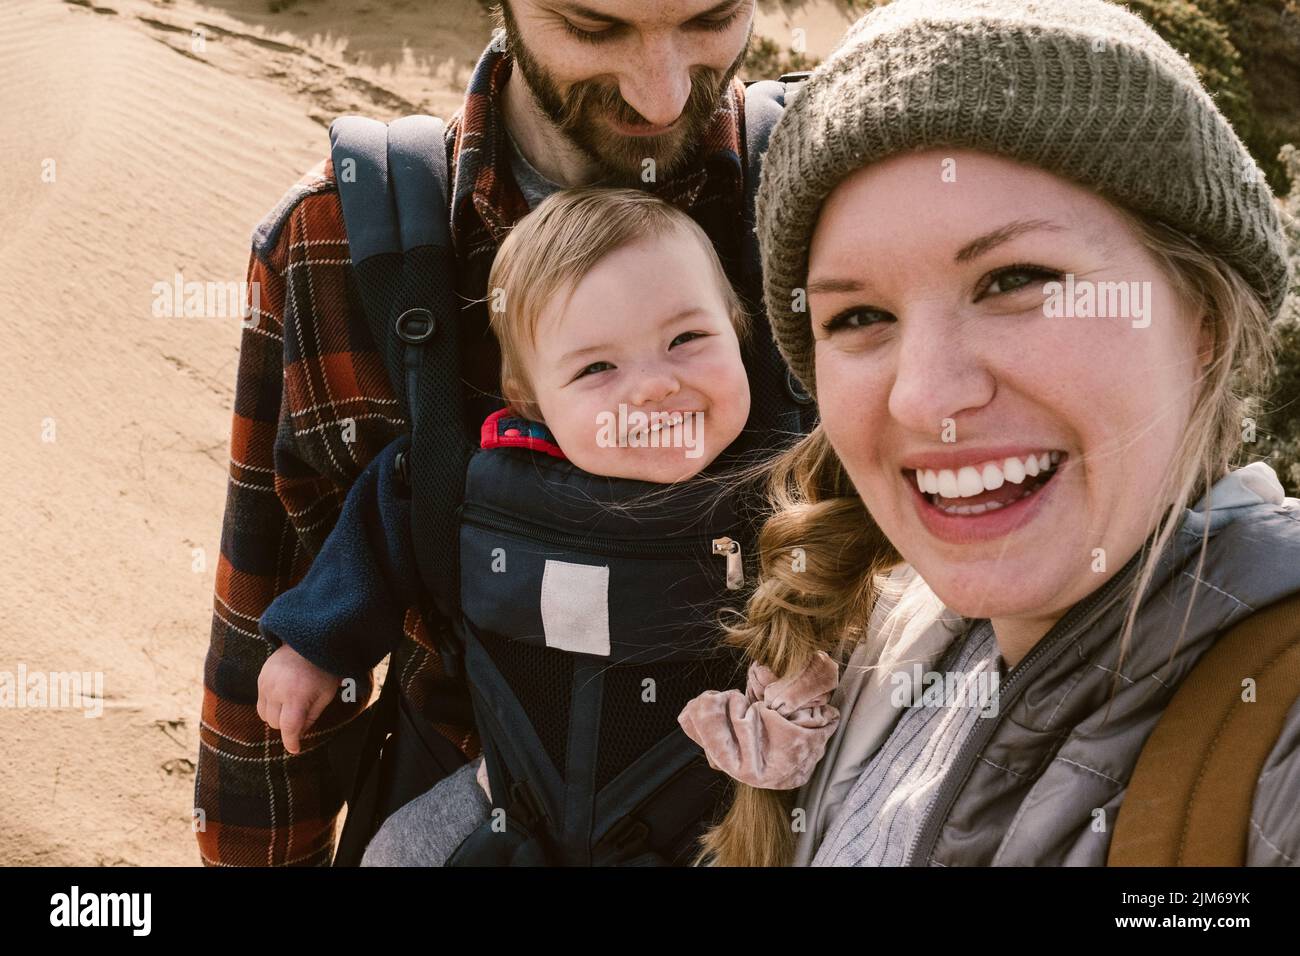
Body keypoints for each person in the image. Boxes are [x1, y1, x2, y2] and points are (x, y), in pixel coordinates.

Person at [677, 0, 1300, 866]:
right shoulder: (876, 642)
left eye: (1016, 278)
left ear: (1201, 319)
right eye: (858, 315)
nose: (927, 394)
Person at [195, 0, 806, 867]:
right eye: (595, 28)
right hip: (491, 808)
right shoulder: (336, 239)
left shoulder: (833, 198)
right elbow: (264, 610)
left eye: (712, 18)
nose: (665, 96)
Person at [253, 187, 756, 864]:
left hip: (717, 830)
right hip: (510, 802)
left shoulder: (779, 481)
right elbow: (383, 527)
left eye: (688, 338)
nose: (653, 386)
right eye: (597, 366)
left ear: (740, 329)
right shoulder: (488, 480)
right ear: (532, 400)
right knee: (393, 853)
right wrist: (317, 644)